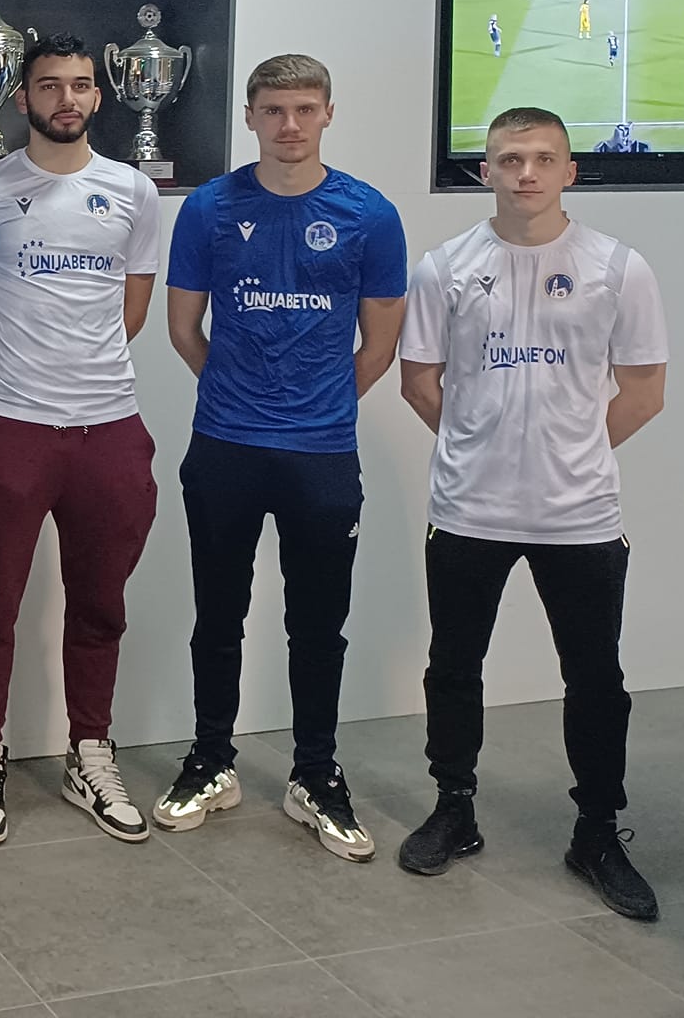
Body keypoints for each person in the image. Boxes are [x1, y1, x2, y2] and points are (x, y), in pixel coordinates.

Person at [396, 106, 666, 921]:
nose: (526, 174)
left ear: (569, 172)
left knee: (596, 679)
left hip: (579, 515)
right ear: (486, 171)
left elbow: (644, 392)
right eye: (510, 159)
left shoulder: (619, 268)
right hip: (469, 509)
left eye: (544, 159)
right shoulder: (444, 268)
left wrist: (567, 451)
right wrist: (480, 446)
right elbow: (419, 382)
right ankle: (454, 806)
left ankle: (597, 830)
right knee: (453, 666)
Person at [157, 54, 407, 863]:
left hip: (322, 453)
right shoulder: (209, 207)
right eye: (273, 110)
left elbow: (380, 343)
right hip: (225, 446)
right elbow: (183, 329)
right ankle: (211, 760)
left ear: (329, 113)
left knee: (318, 624)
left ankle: (315, 773)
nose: (289, 124)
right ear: (250, 117)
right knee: (217, 615)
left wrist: (318, 403)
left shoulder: (370, 214)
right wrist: (241, 398)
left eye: (304, 109)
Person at [0, 35, 160, 846]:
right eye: (49, 86)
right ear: (22, 97)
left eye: (80, 85)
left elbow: (131, 311)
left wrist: (82, 373)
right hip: (12, 425)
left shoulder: (133, 190)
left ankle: (90, 751)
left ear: (99, 96)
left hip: (110, 428)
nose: (66, 99)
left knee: (100, 604)